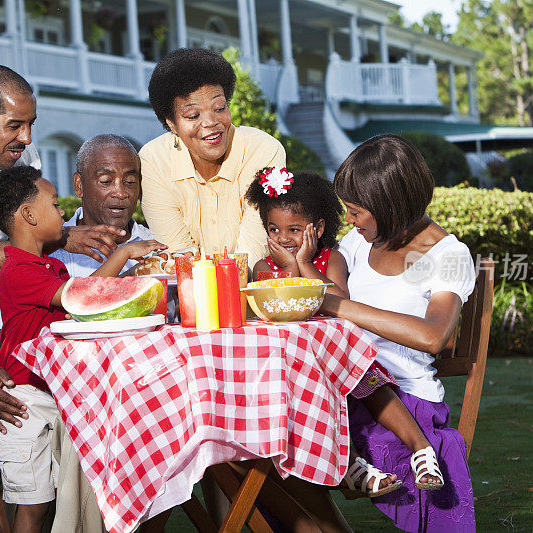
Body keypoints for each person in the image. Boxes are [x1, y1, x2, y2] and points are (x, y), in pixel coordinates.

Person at [0, 135, 156, 533]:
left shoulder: (156, 250)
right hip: (28, 393)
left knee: (82, 435)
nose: (120, 193)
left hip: (101, 403)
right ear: (79, 186)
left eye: (130, 180)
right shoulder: (43, 248)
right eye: (105, 180)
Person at [0, 164, 163, 532]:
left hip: (49, 396)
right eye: (52, 202)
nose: (62, 210)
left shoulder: (46, 266)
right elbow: (85, 297)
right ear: (28, 214)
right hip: (23, 402)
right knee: (32, 507)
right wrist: (124, 255)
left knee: (47, 500)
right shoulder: (19, 270)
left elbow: (83, 298)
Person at [245, 167, 444, 497]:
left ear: (318, 228)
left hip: (339, 356)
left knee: (370, 380)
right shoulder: (264, 268)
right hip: (296, 365)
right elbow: (271, 304)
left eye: (294, 229)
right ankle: (353, 468)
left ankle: (421, 449)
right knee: (309, 399)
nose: (283, 238)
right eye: (274, 229)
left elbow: (338, 298)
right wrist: (292, 267)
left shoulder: (330, 258)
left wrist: (304, 265)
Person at [321, 134, 477, 532]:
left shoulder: (446, 255)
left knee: (295, 437)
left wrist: (340, 306)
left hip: (406, 396)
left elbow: (433, 336)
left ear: (390, 206)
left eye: (356, 212)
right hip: (347, 383)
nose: (350, 221)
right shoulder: (357, 242)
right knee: (270, 430)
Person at [139, 47, 286, 267]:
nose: (210, 122)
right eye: (193, 115)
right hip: (189, 293)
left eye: (219, 108)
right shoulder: (153, 161)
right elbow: (180, 256)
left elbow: (254, 249)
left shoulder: (263, 150)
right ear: (171, 124)